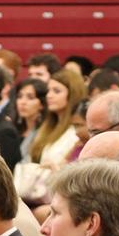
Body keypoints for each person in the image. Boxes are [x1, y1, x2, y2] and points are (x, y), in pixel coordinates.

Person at [13, 70, 86, 208]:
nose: (49, 96)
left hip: (60, 198)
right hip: (38, 195)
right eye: (48, 91)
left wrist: (55, 168)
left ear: (72, 94)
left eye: (56, 91)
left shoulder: (77, 132)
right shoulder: (46, 129)